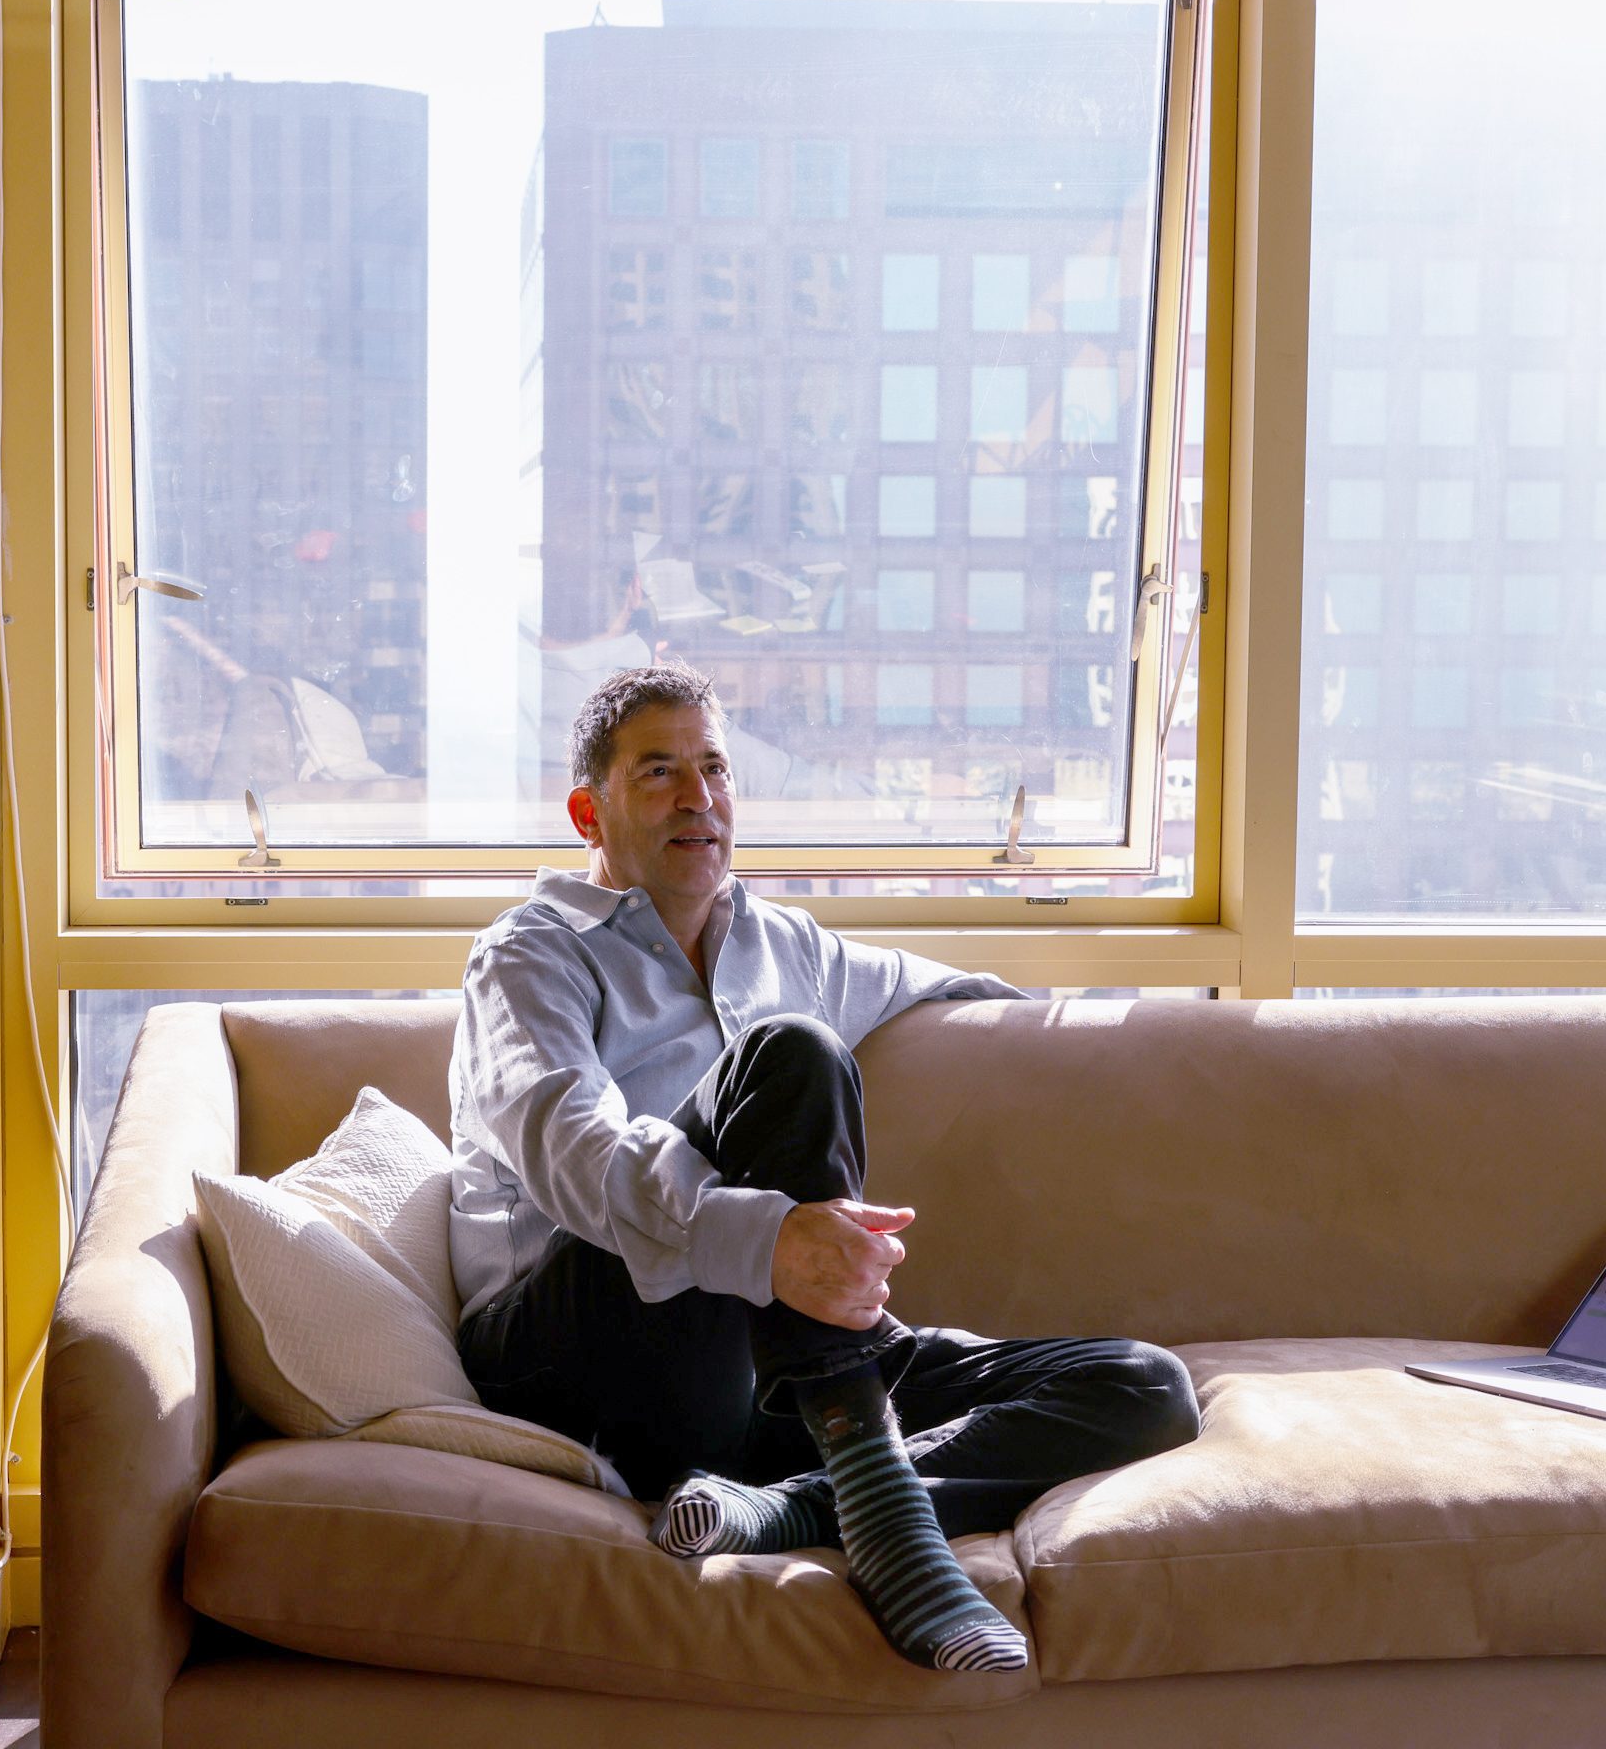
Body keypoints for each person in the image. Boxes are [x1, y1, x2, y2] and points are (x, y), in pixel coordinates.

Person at [449, 660, 1199, 1675]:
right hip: (571, 1346)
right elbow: (570, 1144)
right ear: (589, 808)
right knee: (791, 1053)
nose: (698, 796)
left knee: (1139, 1386)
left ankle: (799, 1498)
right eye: (659, 770)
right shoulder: (529, 953)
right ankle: (887, 1519)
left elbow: (951, 987)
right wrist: (767, 1240)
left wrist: (1113, 1048)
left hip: (762, 1366)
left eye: (714, 768)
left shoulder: (777, 942)